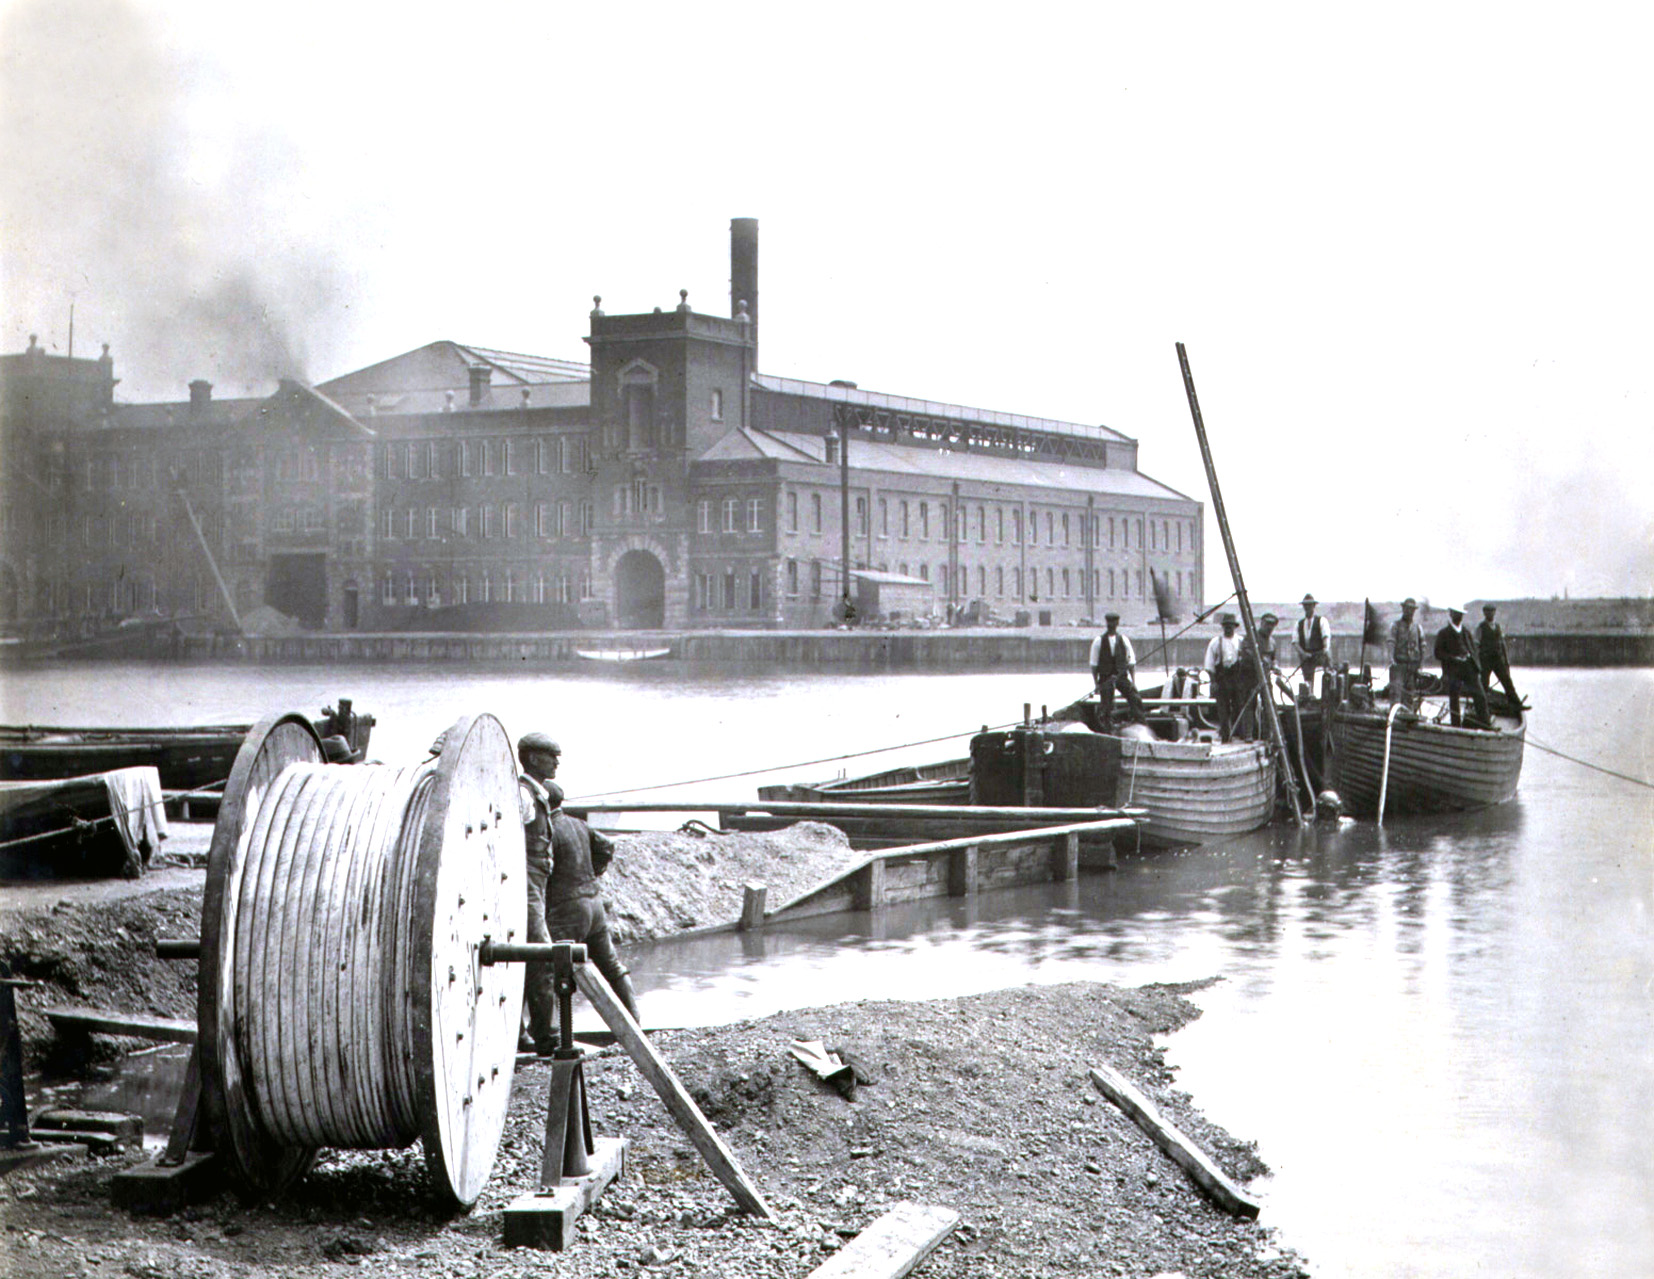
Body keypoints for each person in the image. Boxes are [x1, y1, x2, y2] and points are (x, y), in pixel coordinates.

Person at [518, 731, 640, 1055]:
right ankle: (635, 1026)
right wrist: (593, 873)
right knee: (611, 966)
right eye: (552, 756)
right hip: (593, 904)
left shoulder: (549, 823)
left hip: (565, 910)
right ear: (534, 758)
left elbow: (538, 862)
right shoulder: (578, 825)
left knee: (544, 965)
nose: (557, 762)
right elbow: (606, 847)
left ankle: (542, 1035)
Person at [1433, 605, 1489, 728]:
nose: (1459, 616)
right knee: (1454, 697)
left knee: (1480, 694)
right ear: (1451, 614)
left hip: (1469, 668)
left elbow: (1474, 651)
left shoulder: (1466, 632)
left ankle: (1485, 723)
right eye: (1456, 613)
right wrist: (1453, 658)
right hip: (1453, 669)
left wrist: (1476, 666)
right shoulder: (1443, 633)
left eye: (1461, 614)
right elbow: (1438, 653)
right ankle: (1456, 725)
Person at [1089, 612, 1146, 726]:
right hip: (1105, 678)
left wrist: (1133, 682)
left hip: (1121, 677)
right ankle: (1106, 723)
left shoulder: (1124, 640)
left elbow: (1131, 662)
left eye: (1114, 623)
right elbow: (1094, 665)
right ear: (1107, 624)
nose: (1111, 625)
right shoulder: (1098, 641)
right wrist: (1096, 684)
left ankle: (1139, 721)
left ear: (1117, 624)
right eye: (1110, 623)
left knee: (1134, 696)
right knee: (1106, 703)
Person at [1236, 611, 1280, 739]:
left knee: (1269, 704)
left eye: (1272, 625)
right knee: (1250, 705)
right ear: (1262, 623)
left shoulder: (1272, 642)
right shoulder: (1251, 637)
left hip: (1265, 677)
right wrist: (1260, 659)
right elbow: (1245, 652)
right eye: (1267, 624)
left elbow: (1273, 658)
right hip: (1250, 677)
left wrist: (1275, 666)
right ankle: (1248, 735)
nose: (1269, 627)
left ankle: (1267, 735)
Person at [1202, 613, 1245, 742]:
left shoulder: (1241, 641)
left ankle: (1238, 734)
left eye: (1230, 626)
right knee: (1223, 708)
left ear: (1234, 627)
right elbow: (1209, 664)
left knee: (1239, 706)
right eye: (1226, 626)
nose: (1228, 628)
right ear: (1223, 627)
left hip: (1237, 679)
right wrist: (1213, 681)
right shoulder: (1215, 642)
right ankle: (1225, 736)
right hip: (1222, 679)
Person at [1476, 604, 1520, 705]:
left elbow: (1502, 643)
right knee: (1484, 683)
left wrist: (1506, 660)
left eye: (1492, 611)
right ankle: (1481, 705)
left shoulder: (1497, 627)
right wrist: (1477, 662)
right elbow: (1476, 644)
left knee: (1506, 681)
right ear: (1484, 613)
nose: (1490, 614)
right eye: (1487, 612)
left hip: (1497, 659)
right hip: (1485, 660)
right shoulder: (1481, 627)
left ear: (1494, 613)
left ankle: (1516, 703)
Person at [1388, 597, 1425, 702]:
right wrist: (1391, 659)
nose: (1410, 612)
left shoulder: (1418, 628)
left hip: (1413, 667)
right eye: (1407, 609)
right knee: (1396, 695)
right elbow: (1391, 642)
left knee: (1410, 696)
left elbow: (1422, 646)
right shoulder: (1395, 626)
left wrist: (1421, 665)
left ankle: (1409, 711)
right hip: (1399, 665)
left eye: (1412, 609)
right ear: (1403, 609)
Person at [1294, 594, 1332, 693]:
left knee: (1328, 676)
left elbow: (1326, 638)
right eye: (1305, 605)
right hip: (1306, 656)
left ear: (1314, 606)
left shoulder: (1322, 621)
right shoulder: (1299, 624)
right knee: (1308, 681)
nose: (1307, 608)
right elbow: (1295, 643)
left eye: (1309, 605)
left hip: (1320, 654)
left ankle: (1327, 695)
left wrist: (1325, 651)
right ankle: (1309, 695)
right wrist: (1303, 654)